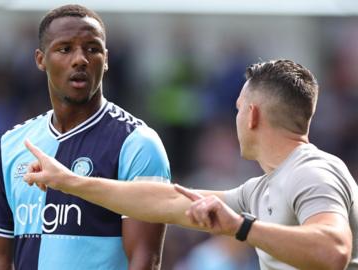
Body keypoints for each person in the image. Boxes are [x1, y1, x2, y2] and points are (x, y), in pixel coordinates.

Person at [23, 59, 358, 270]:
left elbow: (334, 250)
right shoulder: (260, 189)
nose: (236, 117)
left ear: (252, 115)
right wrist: (69, 182)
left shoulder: (313, 171)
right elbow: (166, 201)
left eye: (239, 108)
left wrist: (240, 228)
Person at [0, 4, 171, 270]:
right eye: (65, 49)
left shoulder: (138, 144)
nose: (80, 59)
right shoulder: (12, 146)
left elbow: (145, 260)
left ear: (107, 58)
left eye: (92, 49)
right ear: (40, 59)